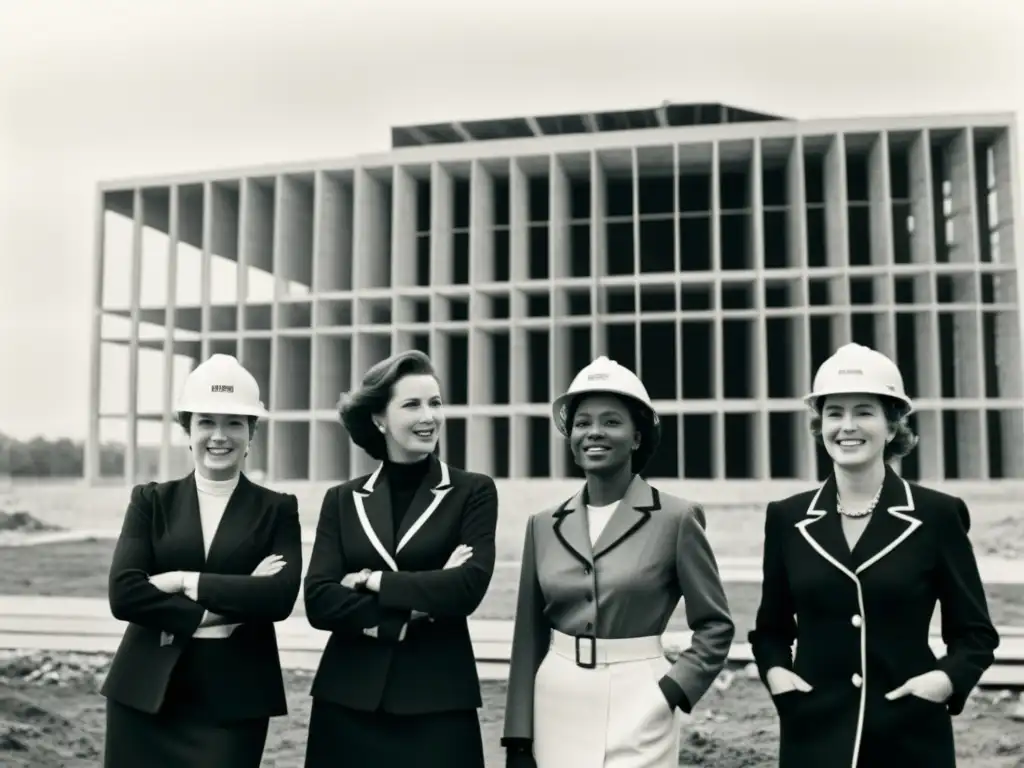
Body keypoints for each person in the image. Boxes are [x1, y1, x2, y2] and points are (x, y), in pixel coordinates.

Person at [748, 342, 1000, 768]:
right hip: (814, 736)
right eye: (834, 413)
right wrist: (777, 677)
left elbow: (975, 634)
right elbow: (771, 629)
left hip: (910, 737)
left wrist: (942, 681)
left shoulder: (937, 515)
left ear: (892, 425)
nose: (847, 426)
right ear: (820, 425)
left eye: (863, 411)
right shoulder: (786, 518)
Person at [501, 355, 736, 768]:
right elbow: (528, 638)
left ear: (637, 437)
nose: (594, 432)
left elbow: (715, 625)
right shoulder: (542, 525)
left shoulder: (676, 518)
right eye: (582, 422)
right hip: (556, 698)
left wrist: (672, 692)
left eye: (611, 421)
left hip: (641, 697)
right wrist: (519, 737)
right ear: (570, 436)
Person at [101, 353, 303, 768]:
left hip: (234, 699)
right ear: (187, 430)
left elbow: (278, 599)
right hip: (145, 691)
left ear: (252, 432)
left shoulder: (278, 509)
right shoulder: (151, 501)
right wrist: (233, 600)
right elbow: (124, 596)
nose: (219, 436)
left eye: (233, 423)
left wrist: (178, 580)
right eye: (206, 422)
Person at [302, 349, 499, 768]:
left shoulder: (473, 492)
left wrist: (372, 581)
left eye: (435, 402)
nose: (429, 416)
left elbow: (465, 590)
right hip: (347, 702)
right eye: (412, 404)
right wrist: (422, 598)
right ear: (379, 418)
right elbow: (319, 601)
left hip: (438, 704)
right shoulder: (342, 499)